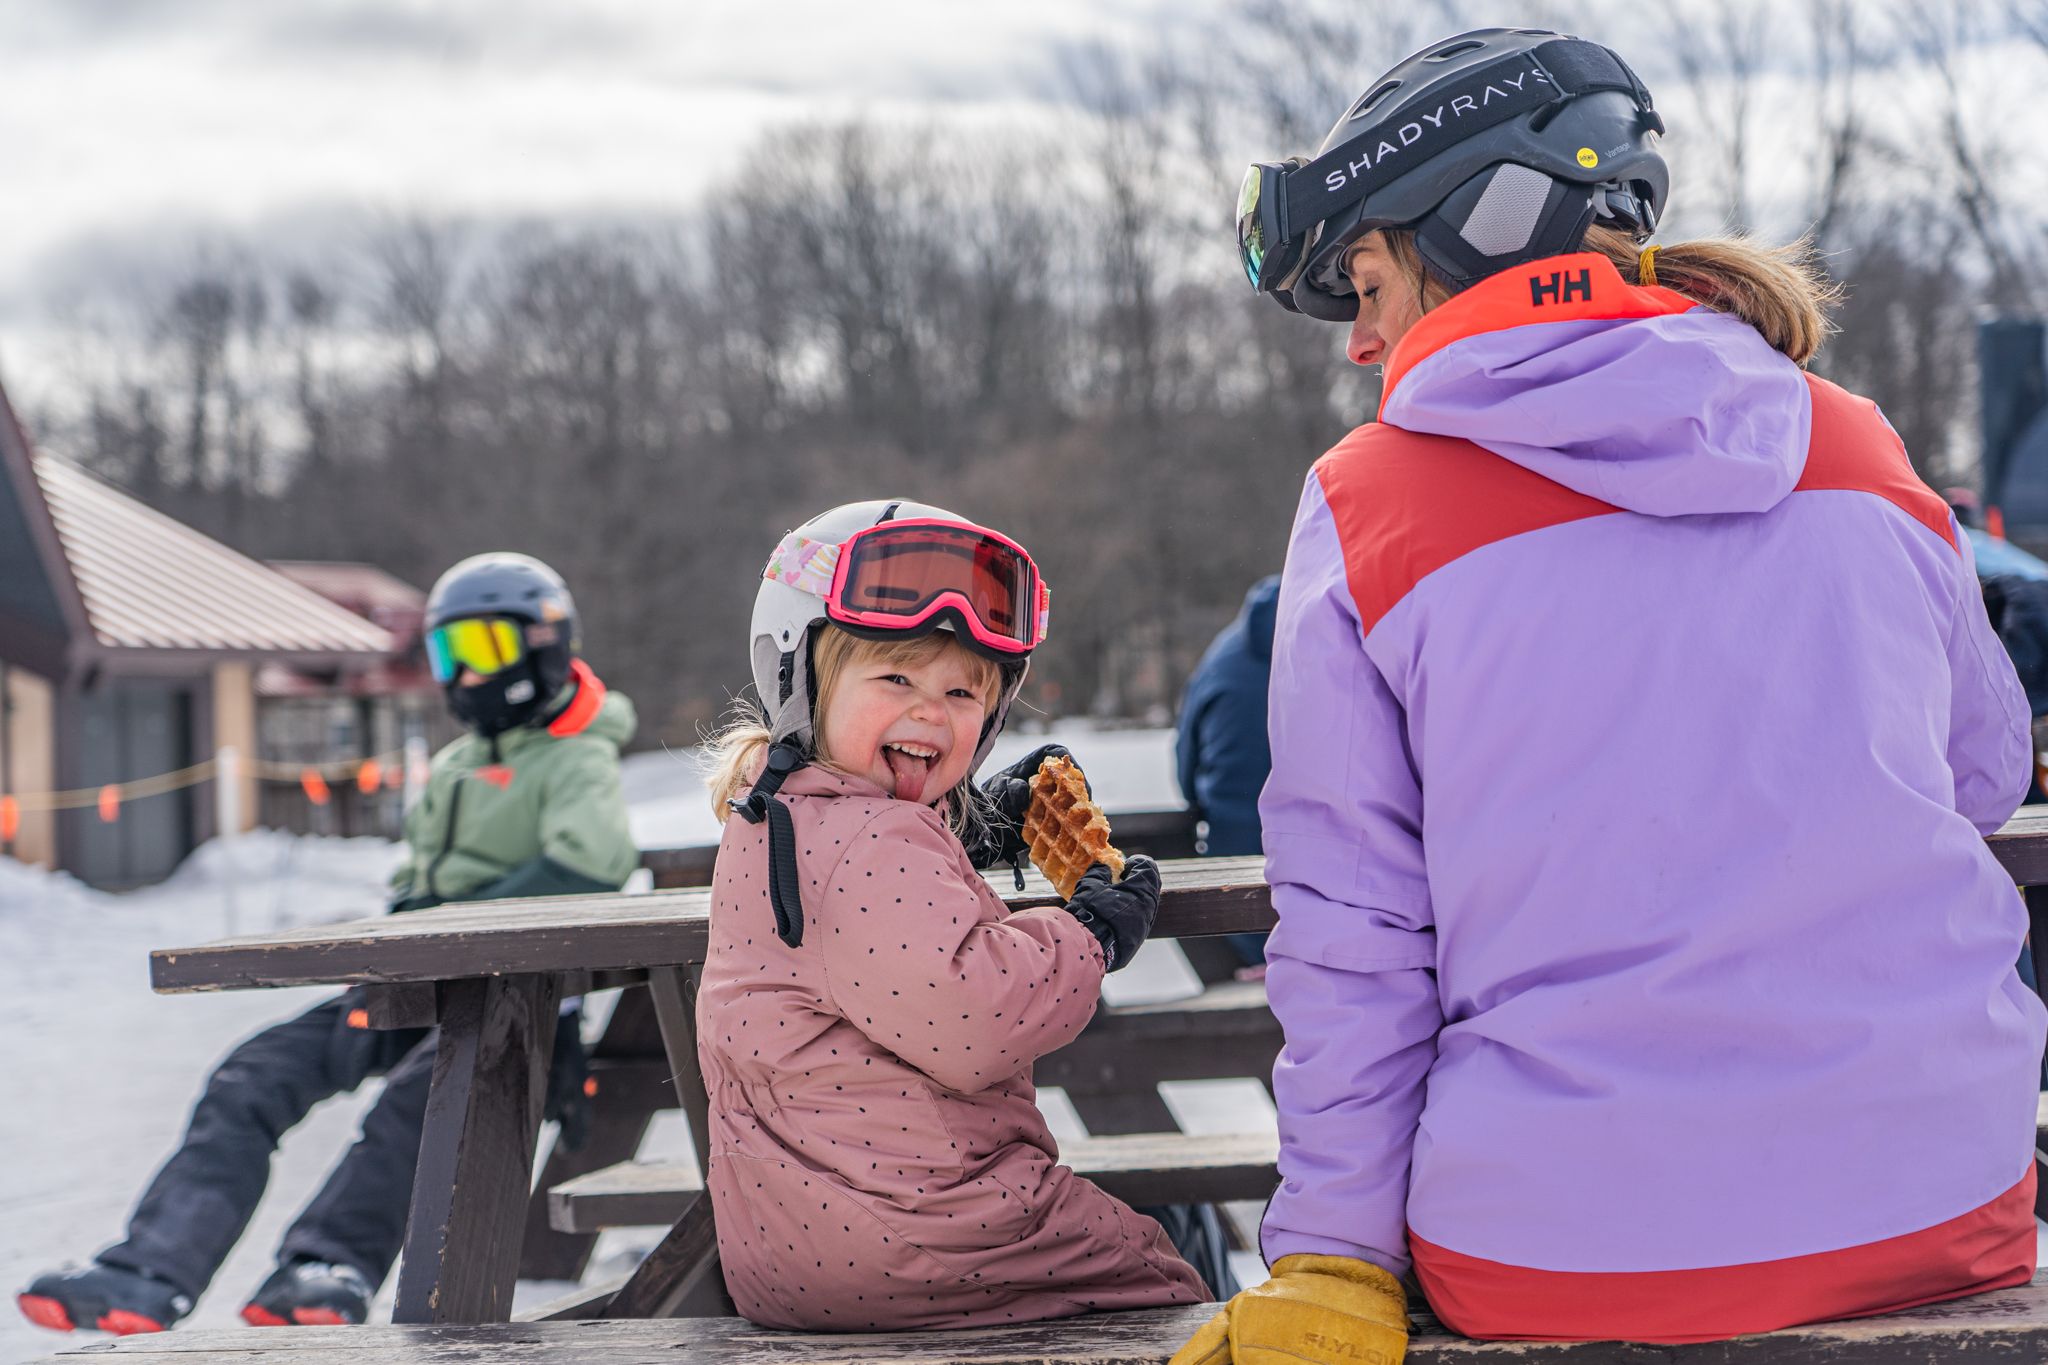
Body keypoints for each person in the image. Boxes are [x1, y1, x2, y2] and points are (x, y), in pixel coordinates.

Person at [1178, 27, 2044, 1362]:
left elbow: (1353, 930)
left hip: (1566, 1247)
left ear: (1468, 233)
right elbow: (1982, 771)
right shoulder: (1849, 438)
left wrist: (1336, 1258)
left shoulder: (1369, 501)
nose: (1359, 341)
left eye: (1363, 281)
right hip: (1944, 1197)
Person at [19, 553, 638, 1335]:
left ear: (543, 644)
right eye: (451, 654)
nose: (466, 673)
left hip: (519, 1011)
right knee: (253, 1075)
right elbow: (414, 886)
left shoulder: (577, 756)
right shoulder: (453, 767)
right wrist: (400, 951)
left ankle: (325, 1264)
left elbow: (587, 873)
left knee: (421, 1096)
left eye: (486, 649)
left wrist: (456, 926)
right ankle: (148, 1270)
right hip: (419, 986)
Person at [698, 499, 1211, 1329]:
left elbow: (868, 913)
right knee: (1162, 1275)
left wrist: (968, 820)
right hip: (932, 1239)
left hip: (794, 1244)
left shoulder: (776, 809)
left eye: (963, 689)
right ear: (804, 675)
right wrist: (1089, 932)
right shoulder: (870, 838)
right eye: (895, 677)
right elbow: (974, 1017)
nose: (931, 711)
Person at [1175, 574, 1281, 966]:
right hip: (1326, 887)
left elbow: (1186, 762)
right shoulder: (1336, 646)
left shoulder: (1223, 657)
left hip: (1232, 875)